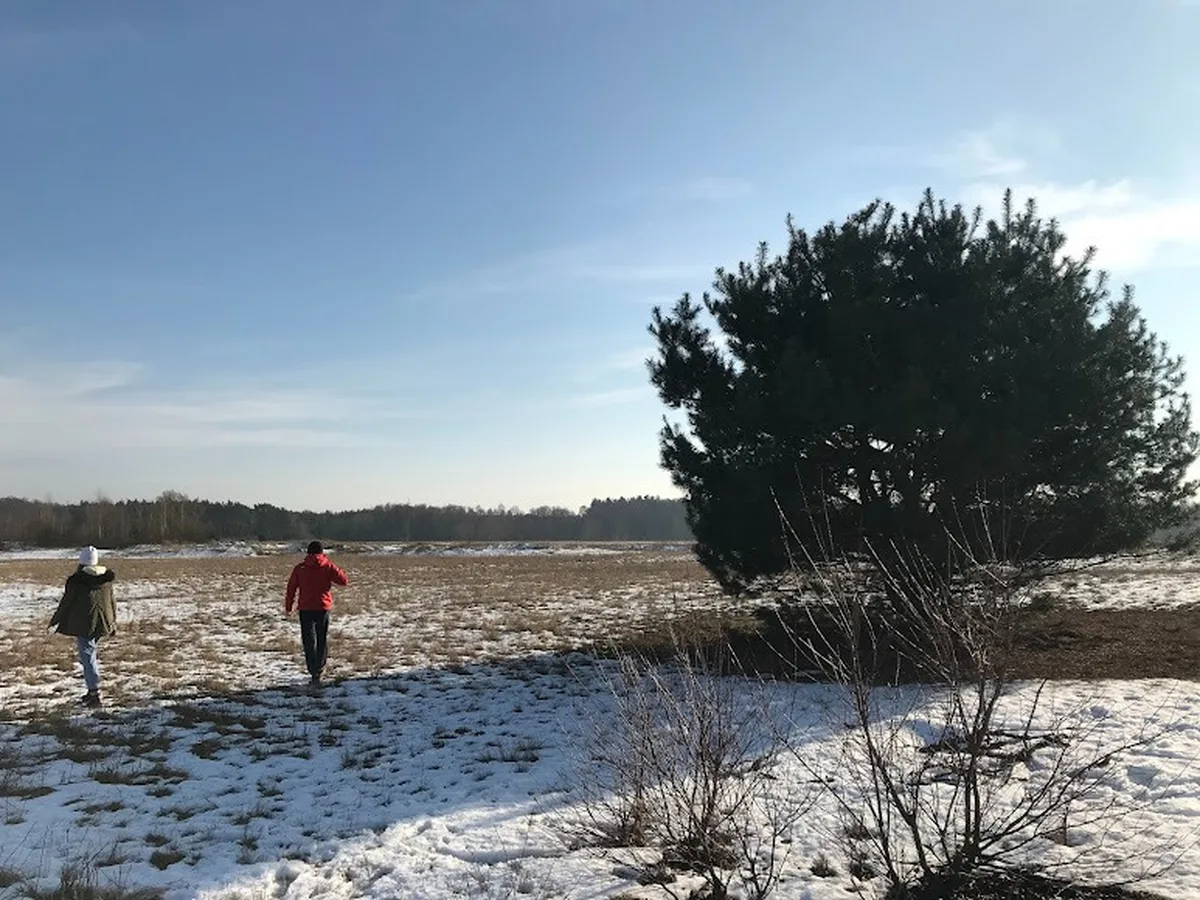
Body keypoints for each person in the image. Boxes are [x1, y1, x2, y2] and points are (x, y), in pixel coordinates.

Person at [49, 545, 117, 708]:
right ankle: (92, 690)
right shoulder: (106, 580)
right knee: (90, 654)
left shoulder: (77, 581)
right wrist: (112, 622)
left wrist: (54, 620)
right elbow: (111, 602)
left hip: (85, 624)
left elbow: (66, 603)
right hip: (102, 622)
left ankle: (94, 692)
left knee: (87, 656)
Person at [285, 541, 348, 685]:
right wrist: (331, 566)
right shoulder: (327, 566)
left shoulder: (300, 568)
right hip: (322, 607)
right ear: (322, 552)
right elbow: (344, 581)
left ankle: (312, 670)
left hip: (305, 608)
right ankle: (319, 669)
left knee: (308, 640)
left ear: (307, 552)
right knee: (321, 639)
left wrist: (289, 606)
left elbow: (291, 588)